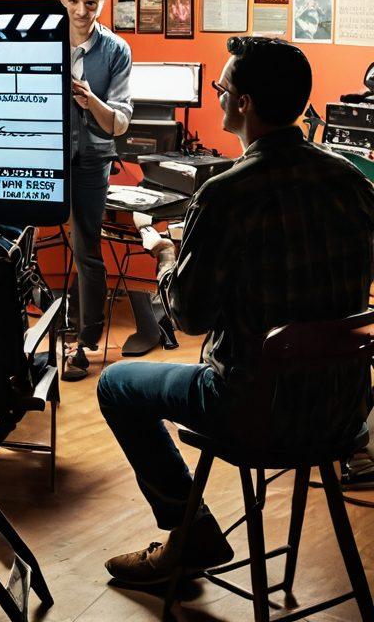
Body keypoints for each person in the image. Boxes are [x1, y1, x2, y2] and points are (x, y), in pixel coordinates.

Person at [98, 36, 374, 586]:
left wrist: (169, 254)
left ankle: (189, 531)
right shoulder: (353, 179)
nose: (219, 96)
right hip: (345, 410)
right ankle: (189, 533)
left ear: (243, 103)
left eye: (223, 88)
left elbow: (192, 316)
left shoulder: (226, 194)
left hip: (254, 408)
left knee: (116, 385)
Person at [51, 0, 134, 382]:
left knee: (87, 248)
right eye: (73, 1)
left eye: (91, 2)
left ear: (102, 4)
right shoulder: (41, 37)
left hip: (92, 158)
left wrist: (89, 101)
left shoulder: (116, 50)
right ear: (59, 0)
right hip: (44, 156)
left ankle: (84, 344)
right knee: (19, 239)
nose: (82, 11)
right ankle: (29, 332)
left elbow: (119, 121)